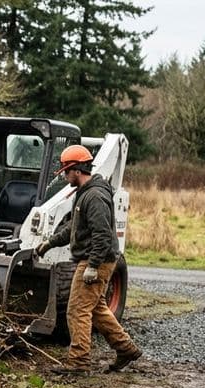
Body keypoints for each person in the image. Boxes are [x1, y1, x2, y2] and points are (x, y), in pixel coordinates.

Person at [34, 145, 142, 374]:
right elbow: (74, 228)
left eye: (66, 171)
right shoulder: (84, 194)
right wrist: (48, 243)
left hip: (97, 260)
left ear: (77, 170)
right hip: (94, 258)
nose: (64, 176)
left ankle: (78, 362)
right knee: (96, 309)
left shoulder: (94, 196)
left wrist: (92, 266)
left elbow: (102, 235)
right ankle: (126, 348)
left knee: (76, 310)